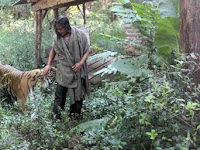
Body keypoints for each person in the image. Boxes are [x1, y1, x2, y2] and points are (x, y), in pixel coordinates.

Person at [43, 16, 90, 119]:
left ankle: (74, 117)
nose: (59, 31)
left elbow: (87, 50)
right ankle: (56, 118)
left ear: (67, 26)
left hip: (77, 70)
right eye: (57, 29)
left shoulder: (79, 35)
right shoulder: (57, 38)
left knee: (78, 97)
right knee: (59, 96)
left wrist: (81, 63)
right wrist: (49, 64)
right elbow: (54, 50)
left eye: (61, 29)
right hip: (63, 70)